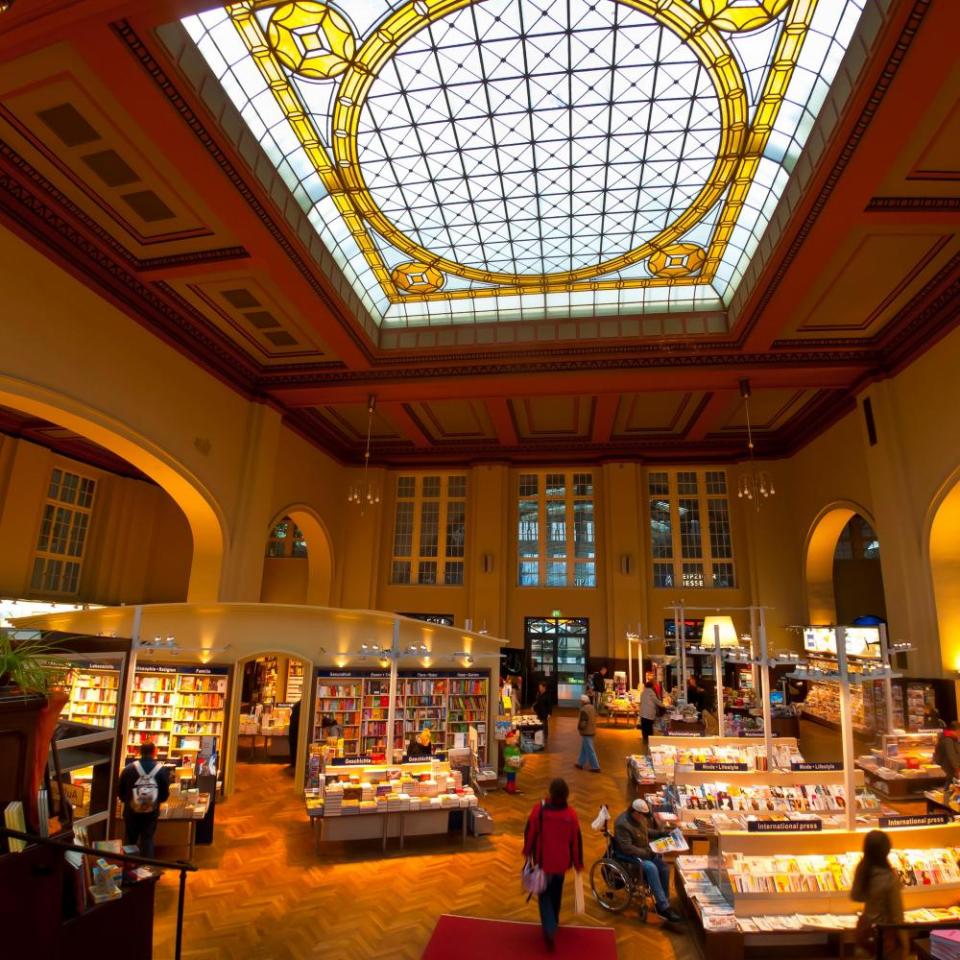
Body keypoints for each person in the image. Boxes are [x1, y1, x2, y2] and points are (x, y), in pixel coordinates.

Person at [522, 778, 583, 952]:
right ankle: (554, 921)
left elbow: (530, 832)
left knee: (544, 896)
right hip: (562, 863)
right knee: (557, 893)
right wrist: (578, 863)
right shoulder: (571, 815)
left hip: (544, 862)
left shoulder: (539, 810)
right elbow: (576, 841)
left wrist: (527, 853)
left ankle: (549, 928)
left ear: (550, 792)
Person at [613, 798, 682, 922]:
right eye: (643, 816)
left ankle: (664, 901)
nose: (645, 818)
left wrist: (661, 834)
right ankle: (663, 907)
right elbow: (627, 848)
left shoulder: (639, 818)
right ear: (636, 812)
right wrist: (647, 853)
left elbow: (645, 832)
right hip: (628, 856)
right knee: (651, 868)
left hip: (643, 851)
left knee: (664, 868)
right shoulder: (622, 824)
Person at [851, 830, 908, 960]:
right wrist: (904, 943)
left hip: (866, 932)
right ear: (886, 850)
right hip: (886, 935)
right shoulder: (889, 878)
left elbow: (856, 896)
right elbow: (897, 915)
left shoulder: (863, 870)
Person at [118, 742, 170, 859]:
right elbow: (164, 794)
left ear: (139, 752)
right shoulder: (161, 770)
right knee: (147, 839)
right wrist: (156, 801)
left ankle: (128, 867)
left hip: (131, 810)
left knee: (130, 839)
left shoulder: (129, 769)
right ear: (154, 752)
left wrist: (128, 801)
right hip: (151, 811)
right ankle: (147, 869)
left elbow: (120, 791)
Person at [574, 693, 600, 772]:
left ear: (583, 701)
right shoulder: (592, 708)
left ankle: (595, 767)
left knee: (589, 749)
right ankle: (580, 763)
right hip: (592, 730)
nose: (580, 702)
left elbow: (583, 722)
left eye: (581, 701)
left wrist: (580, 728)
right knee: (584, 748)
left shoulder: (584, 709)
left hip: (586, 731)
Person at [533, 681, 553, 745]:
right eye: (539, 687)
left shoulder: (548, 695)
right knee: (538, 726)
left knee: (544, 726)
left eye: (540, 687)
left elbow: (550, 705)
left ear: (544, 687)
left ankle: (545, 739)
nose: (539, 688)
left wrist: (549, 714)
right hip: (538, 713)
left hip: (544, 713)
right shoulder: (538, 694)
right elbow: (537, 702)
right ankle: (539, 738)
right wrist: (534, 707)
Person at [503, 728, 522, 793]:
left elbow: (519, 755)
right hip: (510, 767)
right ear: (508, 741)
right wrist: (510, 761)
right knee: (510, 778)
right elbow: (507, 758)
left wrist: (520, 759)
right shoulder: (507, 749)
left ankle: (512, 786)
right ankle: (510, 787)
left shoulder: (516, 749)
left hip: (514, 766)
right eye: (514, 740)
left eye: (516, 740)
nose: (515, 741)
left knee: (513, 778)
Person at [288, 698, 301, 766]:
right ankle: (294, 762)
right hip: (296, 730)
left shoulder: (297, 706)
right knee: (295, 746)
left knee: (293, 746)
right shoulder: (300, 706)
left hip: (293, 730)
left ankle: (293, 762)